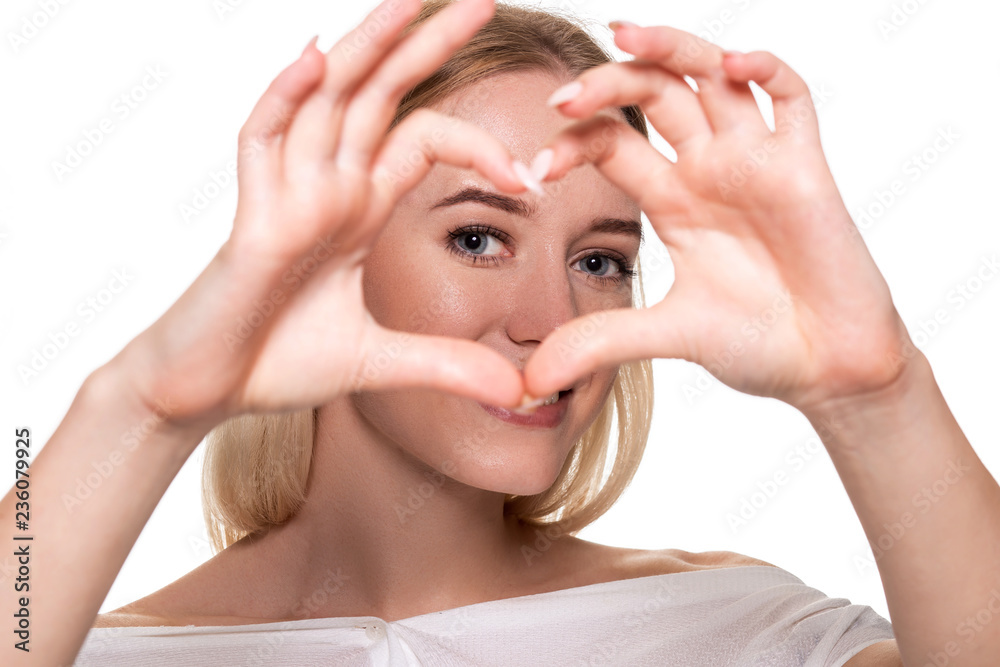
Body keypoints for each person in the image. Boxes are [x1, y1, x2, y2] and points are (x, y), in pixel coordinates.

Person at [4, 0, 997, 664]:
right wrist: (141, 406)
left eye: (600, 259)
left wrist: (878, 396)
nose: (548, 323)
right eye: (478, 237)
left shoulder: (742, 632)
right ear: (325, 257)